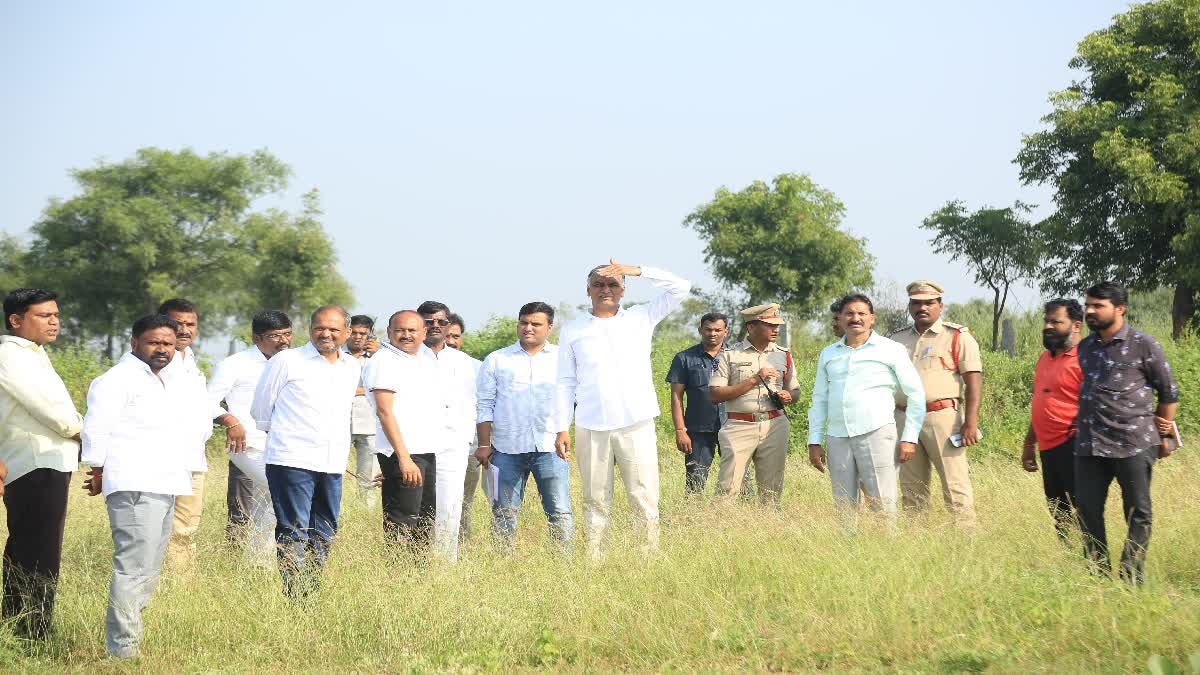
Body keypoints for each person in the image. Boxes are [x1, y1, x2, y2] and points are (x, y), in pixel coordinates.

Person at [81, 314, 211, 658]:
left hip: (166, 483)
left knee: (149, 569)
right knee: (134, 567)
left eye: (168, 344)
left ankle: (129, 640)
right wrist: (99, 470)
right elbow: (95, 429)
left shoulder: (166, 380)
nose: (162, 349)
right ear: (134, 342)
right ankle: (122, 649)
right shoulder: (116, 380)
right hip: (135, 483)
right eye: (154, 342)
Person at [555, 260, 690, 556]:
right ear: (587, 290)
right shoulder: (573, 329)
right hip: (591, 425)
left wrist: (636, 270)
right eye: (599, 285)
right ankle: (594, 561)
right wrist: (562, 427)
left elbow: (682, 287)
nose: (606, 290)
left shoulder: (641, 317)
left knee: (643, 495)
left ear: (624, 290)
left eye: (613, 284)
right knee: (595, 499)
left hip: (636, 422)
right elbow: (565, 382)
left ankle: (647, 559)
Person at [250, 306, 361, 597]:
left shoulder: (351, 367)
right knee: (294, 529)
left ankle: (312, 590)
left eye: (334, 329)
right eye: (319, 327)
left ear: (346, 333)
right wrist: (288, 436)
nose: (325, 334)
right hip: (291, 459)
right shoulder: (287, 361)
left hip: (332, 461)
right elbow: (261, 408)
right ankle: (294, 597)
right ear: (309, 329)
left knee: (325, 530)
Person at [1075, 282, 1179, 585]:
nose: (1090, 311)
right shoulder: (1084, 347)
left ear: (1120, 309)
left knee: (1138, 511)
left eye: (1098, 305)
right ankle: (1098, 576)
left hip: (1133, 443)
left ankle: (1131, 576)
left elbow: (1168, 392)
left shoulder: (1143, 343)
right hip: (1090, 444)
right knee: (1087, 511)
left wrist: (1165, 436)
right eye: (1088, 305)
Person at [0, 288, 83, 639]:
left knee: (30, 548)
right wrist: (87, 433)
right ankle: (31, 633)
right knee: (38, 552)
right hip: (35, 463)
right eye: (44, 315)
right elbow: (51, 411)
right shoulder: (10, 354)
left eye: (56, 315)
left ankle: (20, 627)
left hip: (47, 461)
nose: (54, 322)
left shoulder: (34, 353)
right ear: (16, 320)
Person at [807, 295, 925, 523]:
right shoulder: (829, 354)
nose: (855, 319)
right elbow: (819, 399)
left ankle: (885, 550)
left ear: (872, 319)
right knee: (843, 506)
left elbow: (916, 394)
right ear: (839, 319)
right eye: (849, 314)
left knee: (883, 504)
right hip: (838, 437)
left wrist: (910, 437)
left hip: (877, 433)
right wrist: (814, 441)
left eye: (862, 314)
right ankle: (848, 552)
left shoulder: (890, 349)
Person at [475, 302, 573, 549]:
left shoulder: (563, 359)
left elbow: (570, 399)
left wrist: (563, 431)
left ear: (549, 327)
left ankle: (564, 568)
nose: (528, 328)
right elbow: (484, 404)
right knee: (503, 512)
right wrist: (485, 444)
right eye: (523, 322)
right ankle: (503, 567)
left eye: (536, 324)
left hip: (550, 447)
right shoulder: (497, 359)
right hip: (505, 450)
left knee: (559, 511)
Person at [889, 280, 983, 527]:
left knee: (955, 485)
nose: (923, 308)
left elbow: (973, 381)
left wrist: (970, 423)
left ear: (940, 305)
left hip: (942, 418)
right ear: (909, 306)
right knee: (911, 488)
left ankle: (966, 543)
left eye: (929, 303)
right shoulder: (897, 340)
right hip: (903, 419)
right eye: (917, 303)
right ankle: (917, 544)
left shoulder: (957, 336)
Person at [156, 298, 240, 570]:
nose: (184, 330)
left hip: (193, 458)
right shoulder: (150, 361)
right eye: (176, 323)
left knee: (186, 527)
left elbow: (201, 401)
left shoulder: (188, 359)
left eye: (190, 324)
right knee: (156, 526)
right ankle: (159, 583)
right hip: (162, 458)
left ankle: (183, 586)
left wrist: (226, 418)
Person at [207, 311, 293, 566]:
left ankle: (258, 564)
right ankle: (262, 560)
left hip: (283, 445)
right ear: (256, 338)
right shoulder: (235, 363)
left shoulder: (293, 362)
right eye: (275, 336)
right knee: (281, 490)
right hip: (246, 444)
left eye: (287, 334)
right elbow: (206, 401)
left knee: (266, 501)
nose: (283, 341)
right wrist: (231, 421)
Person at [361, 311, 441, 553]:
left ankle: (418, 578)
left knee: (424, 519)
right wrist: (403, 459)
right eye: (400, 330)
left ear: (424, 332)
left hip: (424, 450)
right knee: (402, 520)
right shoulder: (384, 361)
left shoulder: (421, 360)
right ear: (389, 332)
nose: (406, 335)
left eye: (412, 330)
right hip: (403, 453)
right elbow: (385, 412)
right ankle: (398, 575)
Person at [708, 305, 800, 505]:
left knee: (772, 488)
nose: (776, 329)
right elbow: (715, 394)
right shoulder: (729, 355)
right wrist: (754, 380)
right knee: (727, 487)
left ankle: (769, 529)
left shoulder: (783, 355)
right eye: (769, 325)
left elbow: (795, 391)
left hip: (775, 424)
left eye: (777, 325)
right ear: (751, 327)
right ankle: (718, 530)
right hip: (739, 426)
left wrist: (788, 396)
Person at [417, 301, 478, 562]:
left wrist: (467, 440)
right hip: (415, 446)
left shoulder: (465, 363)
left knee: (449, 508)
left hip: (453, 445)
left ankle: (445, 565)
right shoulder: (405, 358)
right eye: (428, 322)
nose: (435, 327)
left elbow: (476, 403)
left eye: (441, 322)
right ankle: (412, 564)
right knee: (414, 509)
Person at [1021, 299, 1084, 542]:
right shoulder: (1044, 359)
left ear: (1076, 325)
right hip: (1048, 449)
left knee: (1082, 508)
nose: (1047, 326)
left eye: (1056, 322)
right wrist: (1029, 444)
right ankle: (1067, 560)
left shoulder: (1085, 359)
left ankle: (1092, 562)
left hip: (1075, 445)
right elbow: (1040, 404)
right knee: (1058, 510)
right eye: (1046, 321)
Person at [665, 313, 730, 495]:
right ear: (700, 330)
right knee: (695, 484)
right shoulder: (684, 358)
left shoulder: (735, 357)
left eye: (718, 330)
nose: (712, 334)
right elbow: (676, 397)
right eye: (708, 329)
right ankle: (694, 517)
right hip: (697, 431)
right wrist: (680, 431)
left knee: (741, 482)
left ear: (726, 332)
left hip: (732, 427)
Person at [445, 313, 486, 545]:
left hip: (468, 449)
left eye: (456, 336)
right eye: (447, 335)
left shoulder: (476, 368)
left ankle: (462, 553)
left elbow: (485, 408)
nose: (451, 340)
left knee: (463, 503)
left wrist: (484, 444)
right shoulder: (422, 366)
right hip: (430, 450)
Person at [346, 314, 378, 506]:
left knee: (368, 477)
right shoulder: (336, 355)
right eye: (354, 332)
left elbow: (385, 386)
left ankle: (365, 512)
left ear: (370, 334)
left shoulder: (379, 357)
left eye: (363, 333)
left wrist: (378, 355)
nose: (358, 337)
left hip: (370, 423)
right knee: (331, 472)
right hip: (341, 422)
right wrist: (366, 390)